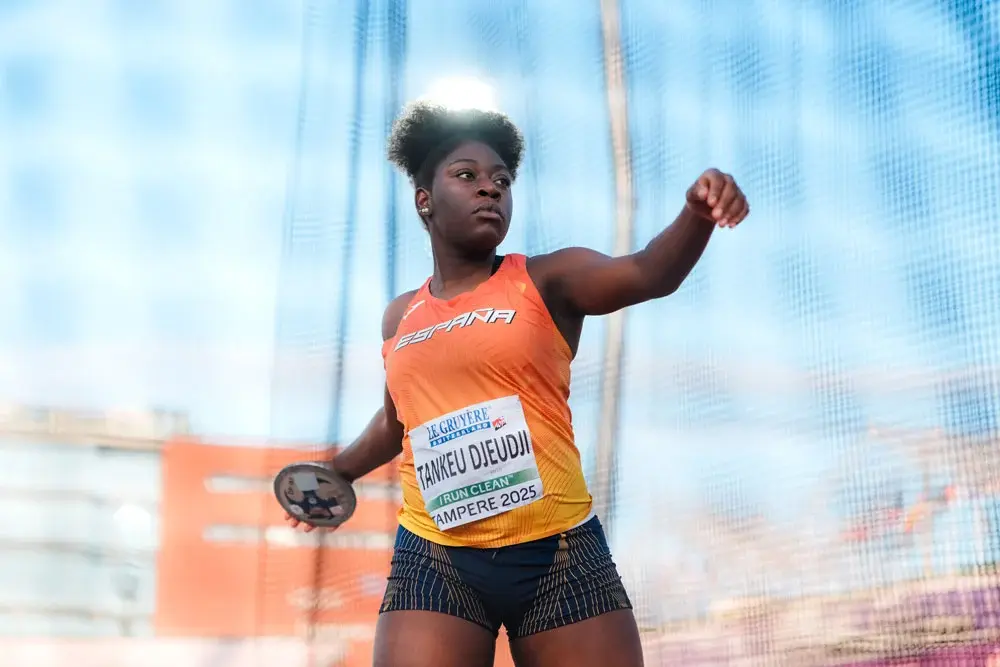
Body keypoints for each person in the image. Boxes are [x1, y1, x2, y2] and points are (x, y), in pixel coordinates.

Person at [286, 101, 750, 667]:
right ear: (424, 201)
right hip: (436, 555)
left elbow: (650, 271)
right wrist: (337, 471)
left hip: (559, 552)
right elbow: (397, 422)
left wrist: (697, 214)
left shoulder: (547, 278)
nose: (490, 189)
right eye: (467, 176)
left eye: (502, 181)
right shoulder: (400, 317)